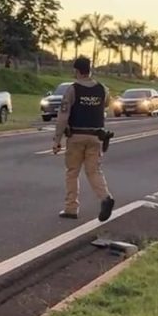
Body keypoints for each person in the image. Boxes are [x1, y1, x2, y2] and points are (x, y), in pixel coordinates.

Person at [53, 56, 115, 222]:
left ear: (76, 71)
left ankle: (71, 208)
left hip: (76, 136)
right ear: (90, 70)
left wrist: (56, 139)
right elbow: (106, 104)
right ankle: (105, 198)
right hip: (96, 137)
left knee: (72, 172)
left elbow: (63, 116)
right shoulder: (103, 89)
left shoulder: (73, 89)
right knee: (94, 171)